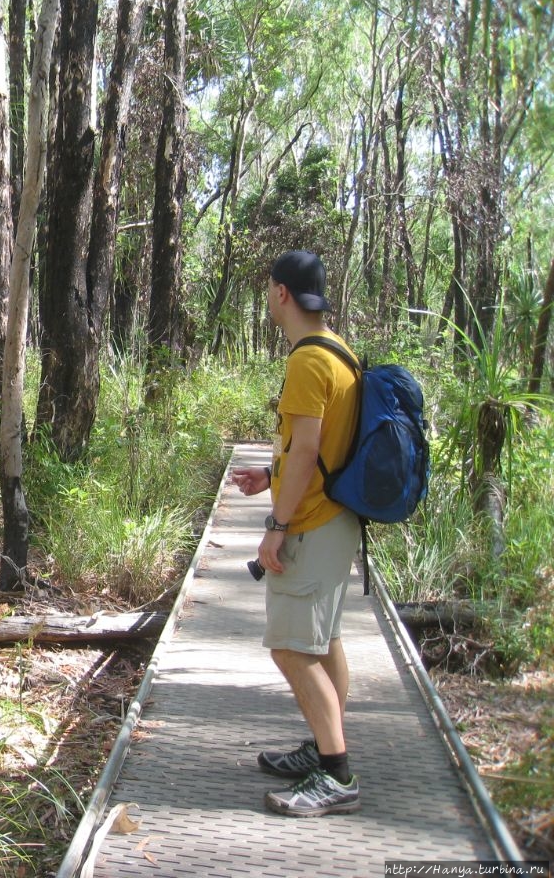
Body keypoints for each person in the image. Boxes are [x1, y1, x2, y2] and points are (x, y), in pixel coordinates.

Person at [230, 249, 362, 817]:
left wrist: (275, 528)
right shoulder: (341, 353)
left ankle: (336, 775)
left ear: (281, 293)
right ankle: (321, 747)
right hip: (337, 519)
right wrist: (272, 474)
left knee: (290, 647)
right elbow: (313, 449)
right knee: (323, 639)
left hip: (311, 524)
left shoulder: (308, 361)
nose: (267, 298)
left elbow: (308, 450)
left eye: (268, 289)